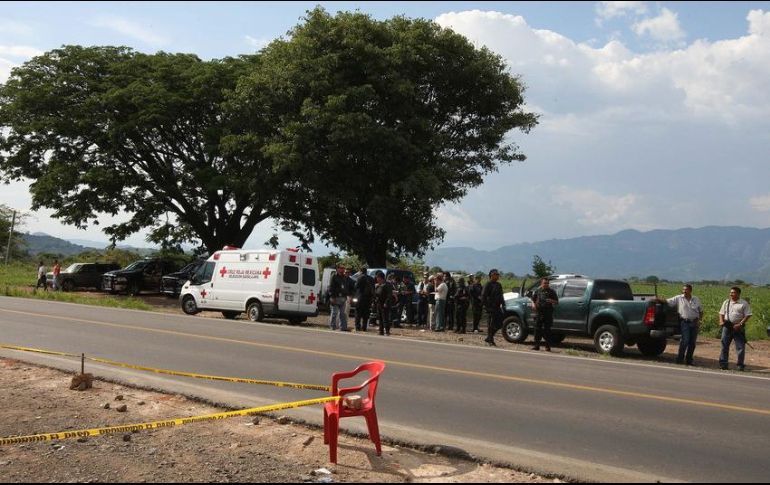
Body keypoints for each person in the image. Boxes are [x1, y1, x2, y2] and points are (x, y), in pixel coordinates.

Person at [656, 284, 703, 365]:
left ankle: (689, 360)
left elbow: (701, 311)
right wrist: (658, 299)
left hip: (694, 323)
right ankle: (680, 359)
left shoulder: (696, 299)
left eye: (686, 290)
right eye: (683, 290)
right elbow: (667, 301)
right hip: (685, 322)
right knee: (685, 341)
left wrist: (699, 321)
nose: (684, 291)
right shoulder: (678, 298)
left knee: (692, 343)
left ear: (690, 291)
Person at [718, 286, 752, 371]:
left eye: (733, 292)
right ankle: (723, 364)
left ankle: (740, 365)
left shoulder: (743, 303)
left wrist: (740, 324)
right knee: (724, 345)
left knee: (740, 347)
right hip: (727, 327)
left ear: (738, 294)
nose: (731, 294)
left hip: (738, 328)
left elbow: (748, 315)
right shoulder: (726, 302)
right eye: (730, 292)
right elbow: (721, 313)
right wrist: (721, 321)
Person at [531, 278, 559, 351]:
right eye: (544, 283)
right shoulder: (538, 291)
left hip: (548, 313)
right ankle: (536, 345)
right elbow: (533, 299)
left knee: (547, 330)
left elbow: (557, 302)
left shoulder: (552, 291)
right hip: (539, 312)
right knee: (537, 330)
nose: (546, 284)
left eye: (547, 283)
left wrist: (551, 300)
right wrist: (533, 304)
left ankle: (547, 346)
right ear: (541, 283)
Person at [481, 269, 505, 346]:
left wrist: (503, 304)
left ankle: (489, 337)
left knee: (500, 323)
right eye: (496, 274)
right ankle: (490, 340)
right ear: (491, 276)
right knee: (490, 324)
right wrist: (486, 306)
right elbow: (483, 296)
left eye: (498, 275)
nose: (498, 276)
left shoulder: (498, 285)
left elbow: (501, 296)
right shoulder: (488, 284)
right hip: (490, 308)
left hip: (497, 307)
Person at [328, 264, 350, 331]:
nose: (343, 269)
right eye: (341, 268)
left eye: (343, 268)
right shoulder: (334, 276)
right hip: (336, 297)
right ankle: (332, 326)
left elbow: (346, 286)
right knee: (334, 312)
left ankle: (343, 327)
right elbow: (331, 287)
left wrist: (346, 295)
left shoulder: (344, 277)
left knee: (343, 313)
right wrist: (332, 297)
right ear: (337, 269)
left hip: (343, 297)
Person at [354, 266, 374, 332]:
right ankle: (364, 327)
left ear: (360, 271)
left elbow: (356, 286)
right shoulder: (371, 278)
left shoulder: (360, 278)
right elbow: (373, 289)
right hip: (368, 299)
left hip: (360, 298)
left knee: (358, 313)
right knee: (366, 314)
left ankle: (357, 327)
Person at [374, 271, 394, 336]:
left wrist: (386, 303)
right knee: (380, 318)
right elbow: (376, 294)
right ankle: (381, 331)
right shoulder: (378, 285)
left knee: (385, 318)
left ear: (381, 278)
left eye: (377, 277)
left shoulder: (387, 285)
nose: (377, 279)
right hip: (379, 303)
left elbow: (389, 295)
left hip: (385, 304)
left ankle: (387, 331)